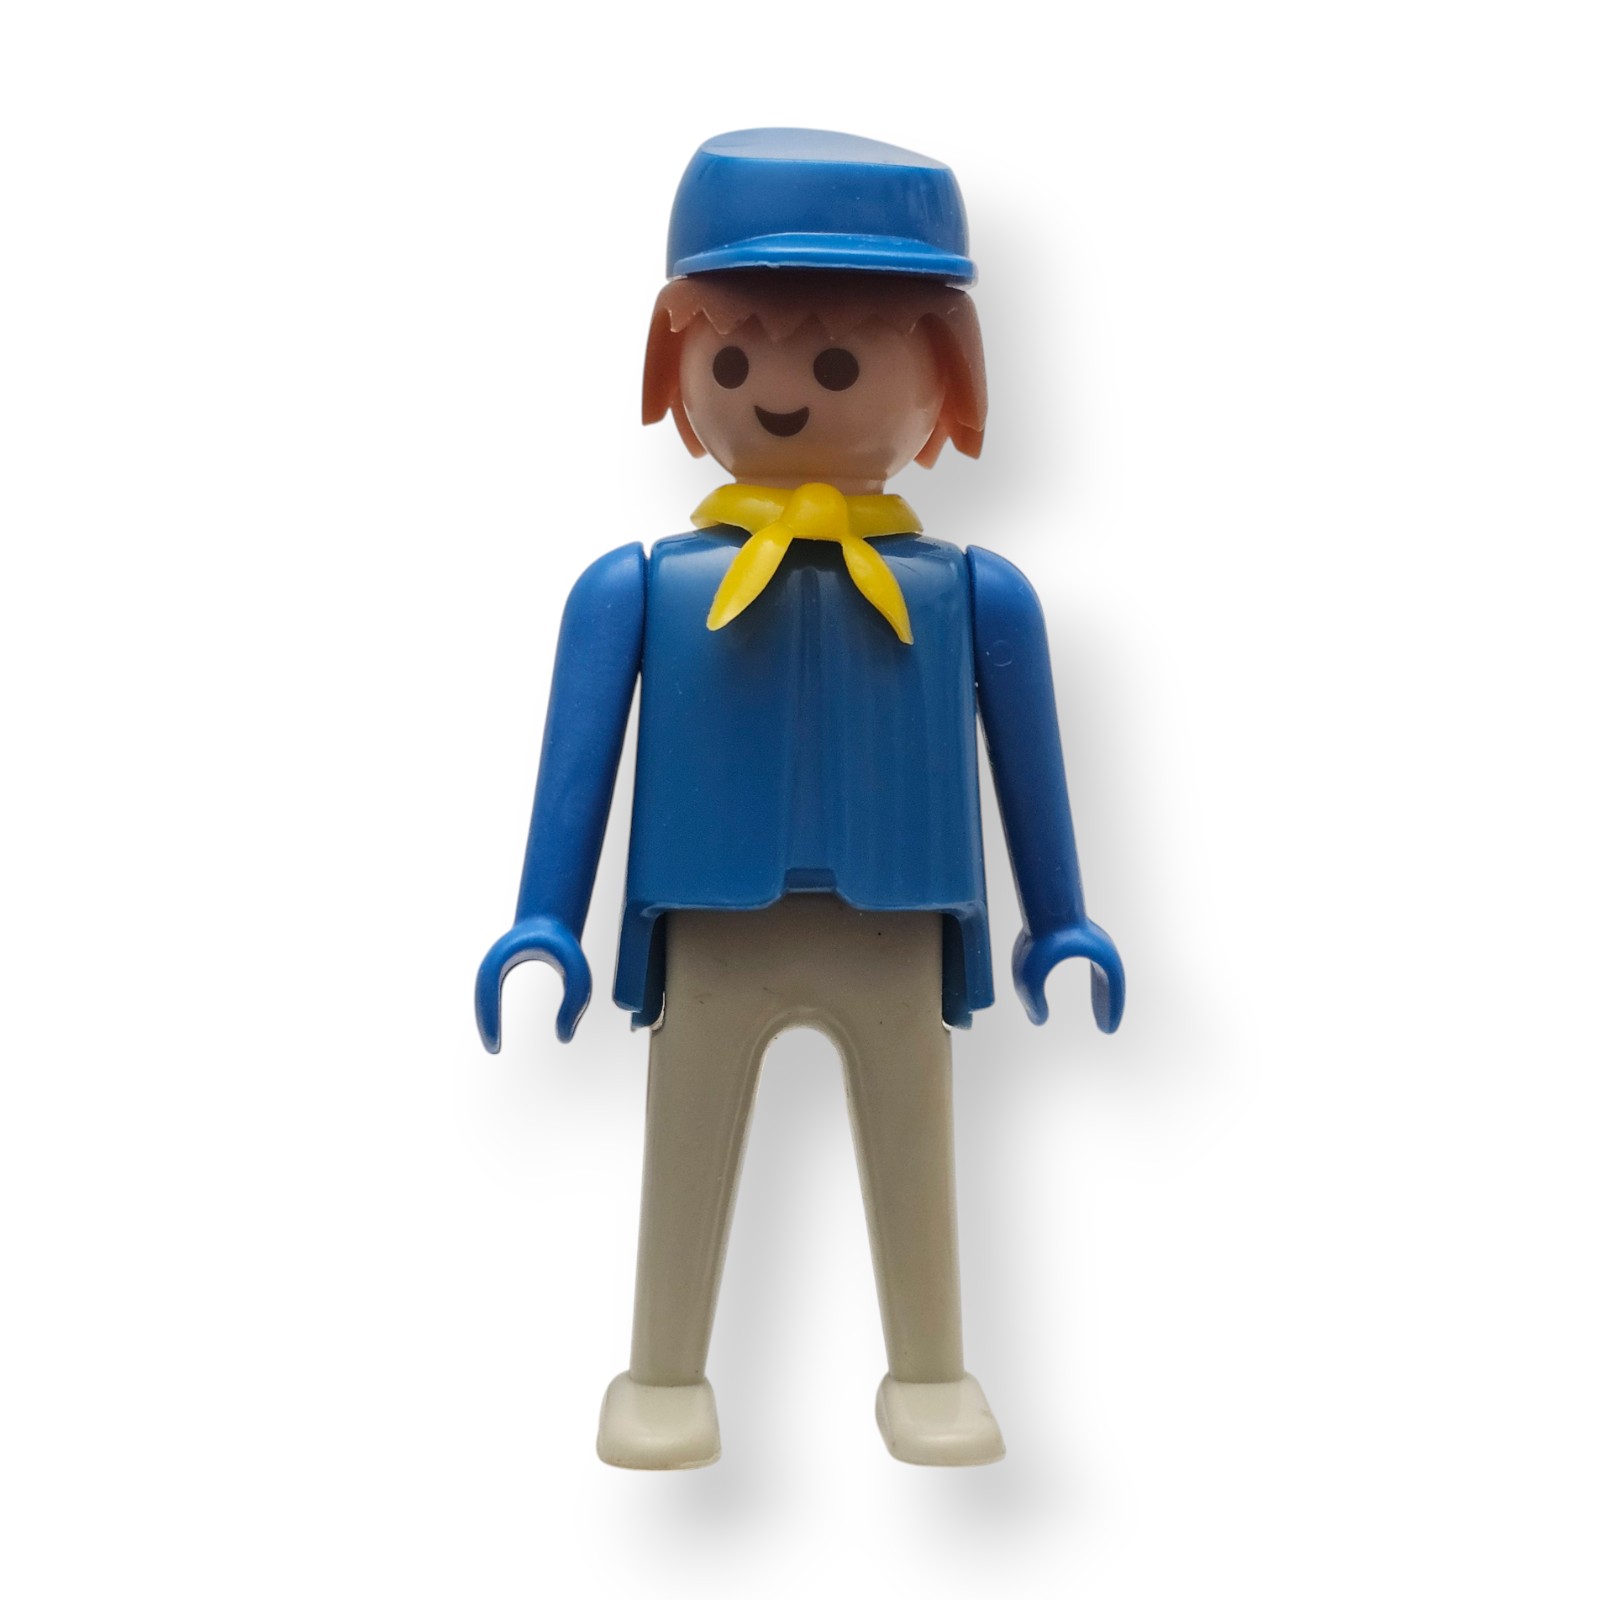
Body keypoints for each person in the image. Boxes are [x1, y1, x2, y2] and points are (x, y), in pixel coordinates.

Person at [476, 128, 1124, 1469]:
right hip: (711, 916)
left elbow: (1030, 760)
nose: (777, 395)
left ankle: (930, 1373)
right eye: (733, 358)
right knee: (684, 1151)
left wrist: (1059, 919)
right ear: (676, 366)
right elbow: (576, 762)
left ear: (945, 379)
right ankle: (665, 1375)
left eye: (837, 365)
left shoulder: (975, 596)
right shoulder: (637, 588)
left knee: (916, 1151)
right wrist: (546, 918)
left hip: (898, 916)